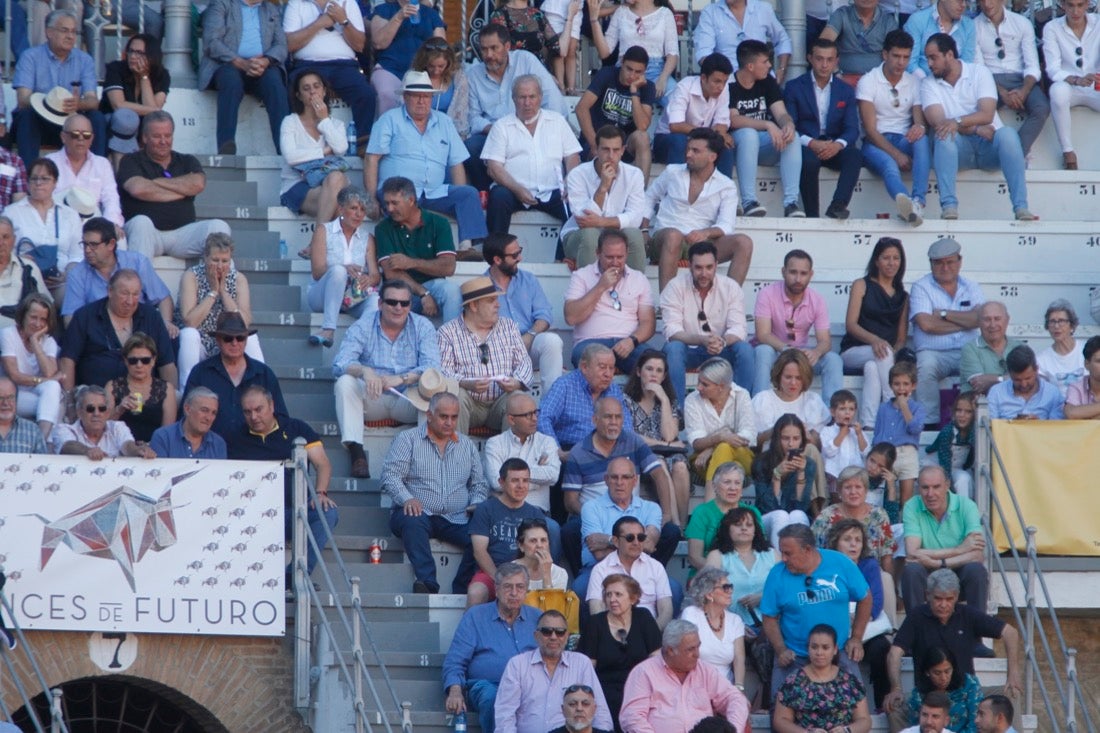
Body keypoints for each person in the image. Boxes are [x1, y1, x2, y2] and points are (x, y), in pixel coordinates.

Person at [365, 70, 488, 255]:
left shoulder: (445, 122)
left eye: (426, 96)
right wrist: (371, 198)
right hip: (398, 192)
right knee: (401, 199)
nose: (422, 101)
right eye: (416, 96)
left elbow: (456, 164)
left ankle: (467, 248)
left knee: (468, 194)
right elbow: (371, 159)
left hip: (433, 192)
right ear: (405, 97)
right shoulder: (390, 120)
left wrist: (457, 197)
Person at [225, 385, 339, 582]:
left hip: (293, 511)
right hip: (251, 516)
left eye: (258, 409)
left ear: (272, 405)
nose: (253, 416)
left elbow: (323, 464)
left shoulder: (297, 429)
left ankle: (294, 575)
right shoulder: (234, 438)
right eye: (247, 411)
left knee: (327, 512)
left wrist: (320, 493)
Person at [381, 392, 490, 594]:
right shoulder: (408, 439)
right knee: (413, 520)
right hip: (418, 514)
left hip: (457, 517)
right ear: (429, 415)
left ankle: (462, 587)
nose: (449, 422)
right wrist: (407, 498)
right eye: (443, 416)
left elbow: (478, 484)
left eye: (454, 417)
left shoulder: (466, 445)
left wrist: (476, 503)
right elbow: (390, 476)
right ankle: (427, 581)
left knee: (482, 536)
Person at [921, 33, 1033, 221]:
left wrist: (956, 123)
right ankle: (949, 206)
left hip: (990, 146)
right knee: (943, 136)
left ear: (949, 55)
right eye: (927, 59)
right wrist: (975, 128)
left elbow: (987, 114)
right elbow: (939, 123)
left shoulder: (979, 72)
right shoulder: (927, 83)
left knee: (1008, 134)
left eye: (933, 58)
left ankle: (1021, 207)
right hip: (960, 149)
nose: (929, 64)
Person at [333, 279, 439, 477]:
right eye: (392, 302)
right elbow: (340, 364)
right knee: (345, 382)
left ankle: (426, 461)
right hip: (373, 397)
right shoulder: (364, 324)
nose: (398, 307)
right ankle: (357, 453)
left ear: (410, 305)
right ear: (380, 303)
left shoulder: (423, 326)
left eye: (404, 303)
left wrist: (402, 378)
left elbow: (433, 368)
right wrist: (365, 370)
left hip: (408, 398)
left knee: (434, 393)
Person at [884, 569, 1022, 716]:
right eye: (938, 598)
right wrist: (896, 688)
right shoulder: (916, 617)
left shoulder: (967, 614)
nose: (943, 604)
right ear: (928, 595)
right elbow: (894, 653)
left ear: (956, 597)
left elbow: (1010, 633)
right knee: (894, 707)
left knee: (1011, 694)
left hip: (968, 693)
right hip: (928, 696)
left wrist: (1013, 673)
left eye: (949, 599)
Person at [761, 524, 871, 696]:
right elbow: (769, 616)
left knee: (856, 701)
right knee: (780, 706)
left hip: (837, 651)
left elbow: (865, 597)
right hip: (794, 655)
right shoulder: (777, 574)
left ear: (807, 549)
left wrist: (856, 638)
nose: (783, 558)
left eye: (788, 553)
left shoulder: (840, 563)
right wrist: (780, 649)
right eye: (782, 552)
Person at [645, 128, 754, 291]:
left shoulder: (726, 185)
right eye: (688, 149)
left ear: (712, 157)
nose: (688, 154)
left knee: (744, 242)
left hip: (700, 243)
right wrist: (644, 230)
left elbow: (726, 225)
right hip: (666, 238)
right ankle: (667, 304)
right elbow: (649, 197)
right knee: (674, 236)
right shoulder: (672, 172)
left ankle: (729, 302)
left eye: (695, 151)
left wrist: (705, 233)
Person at [465, 25, 567, 191]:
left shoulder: (525, 60)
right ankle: (485, 194)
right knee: (472, 146)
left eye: (494, 48)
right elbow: (473, 117)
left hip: (531, 128)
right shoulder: (473, 75)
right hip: (494, 134)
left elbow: (552, 99)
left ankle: (550, 191)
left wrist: (541, 129)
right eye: (484, 49)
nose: (489, 55)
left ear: (507, 47)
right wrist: (495, 129)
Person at [118, 111, 232, 259]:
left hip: (183, 234)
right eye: (157, 136)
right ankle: (137, 281)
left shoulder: (186, 160)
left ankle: (220, 282)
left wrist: (157, 182)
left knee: (219, 227)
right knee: (141, 222)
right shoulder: (130, 160)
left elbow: (198, 184)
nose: (163, 141)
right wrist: (184, 189)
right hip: (148, 234)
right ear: (145, 137)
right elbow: (138, 189)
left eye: (168, 135)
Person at [441, 562, 540, 733]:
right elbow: (455, 660)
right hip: (488, 686)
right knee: (493, 699)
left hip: (530, 686)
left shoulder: (537, 618)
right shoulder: (476, 616)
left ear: (527, 590)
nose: (514, 593)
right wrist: (455, 690)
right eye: (508, 587)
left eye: (520, 587)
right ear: (497, 588)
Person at [482, 75, 580, 238]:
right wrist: (518, 189)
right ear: (513, 99)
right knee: (499, 196)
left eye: (532, 97)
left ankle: (564, 258)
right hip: (514, 191)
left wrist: (571, 182)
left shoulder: (557, 121)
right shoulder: (501, 126)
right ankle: (496, 253)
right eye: (522, 97)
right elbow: (494, 167)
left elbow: (572, 156)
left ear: (540, 97)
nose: (527, 103)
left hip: (553, 190)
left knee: (576, 201)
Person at [562, 399, 674, 533]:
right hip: (595, 517)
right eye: (608, 417)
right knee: (571, 530)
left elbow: (659, 474)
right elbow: (570, 502)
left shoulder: (634, 442)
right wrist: (593, 516)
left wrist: (666, 513)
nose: (614, 422)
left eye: (618, 417)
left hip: (631, 514)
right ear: (595, 420)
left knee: (670, 532)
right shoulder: (579, 452)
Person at [438, 275, 532, 434]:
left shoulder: (508, 326)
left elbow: (524, 362)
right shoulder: (447, 332)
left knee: (517, 398)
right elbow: (443, 372)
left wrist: (516, 382)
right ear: (473, 305)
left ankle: (512, 458)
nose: (498, 305)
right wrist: (466, 383)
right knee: (455, 396)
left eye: (497, 300)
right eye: (491, 301)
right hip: (469, 403)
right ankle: (456, 456)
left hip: (500, 403)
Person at [619, 619, 750, 733]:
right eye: (690, 649)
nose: (697, 654)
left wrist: (733, 730)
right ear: (670, 650)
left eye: (698, 647)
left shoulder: (705, 670)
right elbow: (632, 717)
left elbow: (735, 699)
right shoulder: (644, 672)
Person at [661, 241, 754, 403]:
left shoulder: (730, 287)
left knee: (745, 350)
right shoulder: (675, 286)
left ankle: (740, 408)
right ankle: (677, 413)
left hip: (721, 349)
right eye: (698, 268)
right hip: (689, 349)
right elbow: (672, 330)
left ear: (716, 265)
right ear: (690, 266)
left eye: (709, 267)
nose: (704, 273)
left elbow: (738, 327)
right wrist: (701, 340)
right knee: (673, 348)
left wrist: (723, 341)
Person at [12, 10, 107, 166]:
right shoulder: (30, 56)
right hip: (40, 123)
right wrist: (50, 103)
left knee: (96, 117)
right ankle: (29, 177)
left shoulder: (84, 59)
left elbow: (92, 100)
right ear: (49, 32)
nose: (70, 36)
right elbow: (23, 99)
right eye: (64, 30)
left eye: (73, 32)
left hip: (71, 124)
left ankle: (97, 171)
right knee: (26, 116)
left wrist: (79, 104)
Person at [856, 31, 931, 226]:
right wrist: (897, 155)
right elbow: (870, 131)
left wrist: (919, 127)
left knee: (922, 138)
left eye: (906, 57)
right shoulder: (868, 81)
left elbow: (918, 120)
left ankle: (918, 202)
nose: (901, 62)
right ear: (885, 54)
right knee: (890, 166)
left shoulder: (914, 81)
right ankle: (908, 206)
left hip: (903, 138)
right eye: (896, 56)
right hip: (876, 142)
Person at [575, 455, 680, 593]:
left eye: (625, 477)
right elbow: (598, 553)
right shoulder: (590, 507)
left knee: (675, 589)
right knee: (580, 587)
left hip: (641, 568)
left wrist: (608, 540)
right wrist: (634, 544)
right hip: (600, 568)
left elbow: (648, 544)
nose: (620, 482)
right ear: (606, 480)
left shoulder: (651, 508)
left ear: (635, 480)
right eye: (614, 477)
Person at [496, 610, 613, 733]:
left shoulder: (581, 663)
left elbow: (599, 711)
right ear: (536, 636)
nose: (553, 637)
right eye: (547, 631)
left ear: (567, 636)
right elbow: (505, 714)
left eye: (560, 632)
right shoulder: (517, 665)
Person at [784, 38, 862, 220]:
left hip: (832, 146)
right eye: (819, 59)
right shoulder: (794, 87)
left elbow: (852, 129)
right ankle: (812, 215)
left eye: (829, 59)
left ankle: (838, 205)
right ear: (810, 58)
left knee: (854, 156)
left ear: (837, 61)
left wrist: (837, 145)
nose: (824, 65)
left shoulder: (846, 90)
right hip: (805, 146)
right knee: (809, 161)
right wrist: (811, 143)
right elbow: (789, 125)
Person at [59, 269, 177, 390]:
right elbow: (67, 360)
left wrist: (171, 397)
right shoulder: (85, 316)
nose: (130, 301)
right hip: (96, 400)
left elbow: (166, 364)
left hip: (143, 396)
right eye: (125, 293)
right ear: (110, 291)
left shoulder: (152, 317)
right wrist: (69, 400)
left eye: (136, 294)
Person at [909, 237, 985, 425]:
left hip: (967, 350)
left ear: (960, 262)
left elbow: (980, 319)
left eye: (950, 262)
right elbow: (927, 325)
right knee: (925, 367)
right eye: (939, 263)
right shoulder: (921, 286)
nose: (945, 267)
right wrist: (965, 320)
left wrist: (943, 314)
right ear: (931, 264)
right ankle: (930, 422)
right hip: (933, 352)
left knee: (981, 367)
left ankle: (975, 419)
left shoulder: (971, 286)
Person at [283, 0, 374, 152]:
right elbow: (289, 44)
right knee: (293, 89)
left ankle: (362, 143)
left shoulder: (347, 2)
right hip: (307, 64)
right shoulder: (296, 3)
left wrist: (344, 21)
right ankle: (297, 143)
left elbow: (359, 45)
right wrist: (319, 24)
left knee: (366, 94)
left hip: (344, 65)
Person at [753, 249, 843, 402]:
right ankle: (758, 408)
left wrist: (816, 352)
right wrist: (786, 349)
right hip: (777, 351)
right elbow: (763, 335)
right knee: (763, 351)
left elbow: (825, 341)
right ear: (783, 272)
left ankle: (832, 417)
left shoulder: (817, 300)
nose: (798, 279)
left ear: (811, 274)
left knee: (833, 359)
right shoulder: (767, 294)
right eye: (793, 272)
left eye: (803, 273)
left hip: (802, 355)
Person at [200, 0, 289, 155]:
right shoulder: (222, 4)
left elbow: (281, 45)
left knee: (275, 84)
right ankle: (226, 146)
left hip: (261, 66)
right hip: (227, 63)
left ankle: (286, 148)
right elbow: (211, 41)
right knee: (231, 82)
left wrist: (266, 60)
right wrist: (240, 62)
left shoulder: (270, 9)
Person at [705, 507, 778, 695]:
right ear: (727, 529)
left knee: (768, 641)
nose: (744, 528)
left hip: (769, 622)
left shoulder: (772, 555)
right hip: (727, 622)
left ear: (756, 529)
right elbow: (707, 595)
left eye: (749, 525)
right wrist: (733, 623)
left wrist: (763, 597)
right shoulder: (717, 556)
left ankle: (768, 698)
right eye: (737, 525)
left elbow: (786, 591)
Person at [175, 233, 263, 389]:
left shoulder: (238, 279)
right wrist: (213, 292)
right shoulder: (192, 276)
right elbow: (190, 321)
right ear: (205, 258)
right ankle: (186, 390)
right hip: (200, 341)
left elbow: (244, 322)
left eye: (225, 261)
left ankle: (259, 389)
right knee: (189, 334)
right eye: (215, 260)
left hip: (227, 339)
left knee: (252, 338)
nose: (220, 266)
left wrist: (223, 292)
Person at [727, 39, 803, 219]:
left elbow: (781, 113)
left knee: (793, 137)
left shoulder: (767, 82)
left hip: (762, 145)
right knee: (748, 134)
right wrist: (767, 125)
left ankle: (791, 203)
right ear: (750, 66)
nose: (770, 65)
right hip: (737, 145)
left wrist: (787, 124)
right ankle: (748, 202)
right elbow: (734, 120)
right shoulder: (730, 83)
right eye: (765, 62)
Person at [824, 519, 895, 711]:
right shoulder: (826, 565)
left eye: (858, 540)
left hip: (865, 626)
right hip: (835, 625)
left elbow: (876, 600)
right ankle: (835, 706)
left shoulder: (869, 565)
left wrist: (862, 619)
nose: (853, 544)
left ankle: (882, 705)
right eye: (847, 539)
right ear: (835, 542)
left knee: (881, 648)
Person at [579, 574, 663, 733]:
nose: (612, 599)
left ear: (633, 598)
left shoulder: (643, 617)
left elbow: (656, 662)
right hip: (605, 694)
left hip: (641, 691)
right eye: (608, 594)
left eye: (618, 594)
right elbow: (588, 670)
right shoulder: (595, 623)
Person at [900, 466, 989, 615]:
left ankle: (977, 632)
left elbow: (977, 555)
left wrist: (938, 563)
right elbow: (913, 554)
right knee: (911, 571)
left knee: (976, 571)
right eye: (925, 488)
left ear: (947, 486)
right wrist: (959, 549)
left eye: (936, 487)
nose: (930, 494)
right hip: (928, 573)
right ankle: (915, 631)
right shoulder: (912, 506)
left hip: (957, 570)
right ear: (918, 488)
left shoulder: (967, 506)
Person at [564, 229, 655, 372]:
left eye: (620, 257)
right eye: (609, 257)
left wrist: (632, 340)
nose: (615, 262)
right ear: (598, 253)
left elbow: (648, 323)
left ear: (627, 253)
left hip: (628, 343)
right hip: (590, 342)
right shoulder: (581, 276)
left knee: (654, 364)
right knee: (592, 363)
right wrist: (600, 286)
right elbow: (571, 317)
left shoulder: (639, 279)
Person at [183, 311, 287, 437]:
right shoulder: (200, 372)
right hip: (210, 450)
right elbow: (186, 415)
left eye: (240, 338)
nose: (234, 343)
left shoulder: (264, 373)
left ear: (246, 339)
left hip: (254, 448)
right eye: (228, 338)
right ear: (218, 340)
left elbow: (280, 416)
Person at [841, 237, 909, 426]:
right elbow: (851, 324)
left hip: (882, 356)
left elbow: (902, 338)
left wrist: (892, 353)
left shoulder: (903, 296)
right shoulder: (861, 285)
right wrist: (875, 341)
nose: (891, 263)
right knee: (882, 353)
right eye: (886, 257)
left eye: (896, 258)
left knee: (872, 368)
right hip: (853, 350)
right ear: (877, 261)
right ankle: (893, 404)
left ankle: (868, 423)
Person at [468, 458, 555, 606]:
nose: (521, 486)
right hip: (492, 572)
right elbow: (479, 551)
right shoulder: (486, 509)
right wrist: (500, 579)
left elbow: (541, 550)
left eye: (525, 481)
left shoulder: (536, 513)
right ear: (501, 482)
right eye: (515, 480)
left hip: (527, 575)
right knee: (476, 592)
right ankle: (468, 630)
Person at [60, 217, 175, 329]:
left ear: (111, 244)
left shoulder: (137, 262)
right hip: (99, 335)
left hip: (139, 330)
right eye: (85, 244)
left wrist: (166, 324)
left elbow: (163, 298)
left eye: (93, 245)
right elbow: (70, 318)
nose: (87, 250)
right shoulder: (77, 274)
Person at [375, 176, 462, 322]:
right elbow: (391, 274)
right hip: (398, 292)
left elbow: (448, 267)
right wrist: (424, 293)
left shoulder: (438, 223)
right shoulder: (383, 228)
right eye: (387, 203)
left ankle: (452, 342)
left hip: (434, 288)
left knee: (451, 291)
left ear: (411, 200)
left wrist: (412, 262)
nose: (389, 209)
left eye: (394, 203)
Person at [483, 233, 563, 392]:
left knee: (551, 341)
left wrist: (529, 335)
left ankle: (551, 407)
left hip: (529, 342)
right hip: (499, 351)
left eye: (519, 251)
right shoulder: (480, 287)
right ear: (497, 260)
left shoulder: (529, 279)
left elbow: (545, 315)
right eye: (514, 255)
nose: (520, 258)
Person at [561, 125, 648, 272]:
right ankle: (589, 292)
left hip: (617, 234)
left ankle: (635, 291)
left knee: (634, 234)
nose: (611, 156)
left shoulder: (634, 174)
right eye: (606, 149)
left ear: (623, 150)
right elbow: (583, 219)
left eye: (615, 150)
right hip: (578, 235)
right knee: (590, 235)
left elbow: (635, 218)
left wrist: (601, 222)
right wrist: (603, 187)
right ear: (596, 149)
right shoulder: (577, 174)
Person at [306, 185, 379, 347]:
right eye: (353, 208)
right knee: (338, 271)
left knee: (375, 300)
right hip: (321, 295)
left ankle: (360, 341)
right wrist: (344, 268)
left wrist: (369, 279)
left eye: (362, 209)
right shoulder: (324, 230)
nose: (359, 214)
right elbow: (317, 273)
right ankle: (329, 330)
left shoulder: (367, 238)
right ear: (340, 209)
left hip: (352, 296)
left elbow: (375, 275)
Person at [622, 351, 691, 521]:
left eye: (659, 371)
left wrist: (664, 400)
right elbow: (632, 436)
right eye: (649, 369)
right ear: (639, 372)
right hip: (639, 456)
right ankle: (674, 526)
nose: (654, 374)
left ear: (664, 375)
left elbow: (669, 435)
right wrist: (669, 445)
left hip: (669, 455)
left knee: (680, 466)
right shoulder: (626, 400)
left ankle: (682, 527)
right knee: (658, 461)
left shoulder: (670, 401)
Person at [975, 0, 1048, 156]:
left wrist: (1023, 91)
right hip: (990, 80)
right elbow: (979, 70)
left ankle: (1016, 153)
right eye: (982, 0)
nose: (987, 4)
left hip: (1020, 78)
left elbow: (1032, 66)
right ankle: (1008, 153)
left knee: (1042, 107)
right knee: (981, 106)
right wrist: (1001, 92)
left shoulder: (1022, 23)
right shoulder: (973, 27)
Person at [771, 623, 873, 733]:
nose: (819, 653)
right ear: (808, 649)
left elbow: (864, 720)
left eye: (825, 647)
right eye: (814, 647)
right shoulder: (793, 681)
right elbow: (780, 720)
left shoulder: (849, 681)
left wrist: (847, 730)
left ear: (834, 650)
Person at [279, 72, 350, 229]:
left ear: (324, 91)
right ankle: (322, 242)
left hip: (329, 185)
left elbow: (341, 148)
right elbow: (291, 157)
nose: (312, 92)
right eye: (306, 88)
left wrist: (324, 119)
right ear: (299, 95)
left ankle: (318, 238)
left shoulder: (335, 124)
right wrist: (323, 152)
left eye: (316, 86)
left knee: (337, 178)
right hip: (298, 185)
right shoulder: (290, 121)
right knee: (339, 207)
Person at [5, 157, 81, 300]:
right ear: (27, 183)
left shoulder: (70, 215)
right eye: (34, 179)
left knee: (75, 297)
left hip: (61, 282)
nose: (39, 183)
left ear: (55, 183)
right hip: (23, 280)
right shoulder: (11, 213)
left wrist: (66, 276)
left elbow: (77, 255)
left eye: (45, 179)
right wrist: (19, 260)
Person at [574, 48, 655, 180]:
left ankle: (641, 195)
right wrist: (595, 144)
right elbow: (581, 108)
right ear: (622, 62)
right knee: (600, 152)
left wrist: (634, 92)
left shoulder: (647, 87)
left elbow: (642, 126)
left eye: (638, 72)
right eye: (629, 69)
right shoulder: (607, 74)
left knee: (643, 137)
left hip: (624, 145)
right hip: (598, 140)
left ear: (644, 71)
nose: (632, 76)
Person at [538, 342, 630, 454]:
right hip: (572, 451)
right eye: (602, 367)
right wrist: (556, 451)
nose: (608, 374)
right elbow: (543, 418)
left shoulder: (613, 389)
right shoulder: (565, 385)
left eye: (611, 368)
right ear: (584, 367)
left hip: (608, 451)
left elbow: (626, 426)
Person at [484, 392, 562, 523]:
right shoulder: (495, 443)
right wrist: (537, 477)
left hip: (538, 512)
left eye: (535, 412)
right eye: (527, 415)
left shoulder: (547, 442)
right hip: (504, 511)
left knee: (553, 529)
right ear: (511, 420)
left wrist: (512, 478)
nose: (535, 418)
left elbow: (553, 476)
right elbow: (496, 482)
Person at [652, 53, 733, 178]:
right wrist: (709, 134)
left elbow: (721, 124)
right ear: (703, 78)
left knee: (724, 146)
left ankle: (724, 195)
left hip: (701, 141)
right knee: (680, 140)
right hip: (667, 140)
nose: (721, 87)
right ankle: (677, 191)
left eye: (724, 81)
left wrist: (719, 134)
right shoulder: (684, 86)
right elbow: (675, 126)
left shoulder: (724, 88)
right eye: (717, 81)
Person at [1041, 0, 1100, 170]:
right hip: (1070, 86)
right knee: (1057, 91)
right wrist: (1076, 79)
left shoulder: (1098, 23)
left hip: (1095, 88)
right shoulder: (1052, 28)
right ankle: (1068, 153)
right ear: (1062, 5)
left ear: (1087, 4)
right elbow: (1052, 69)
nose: (1075, 11)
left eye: (1080, 5)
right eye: (1070, 5)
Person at [586, 516, 675, 628]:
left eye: (641, 537)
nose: (636, 542)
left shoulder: (656, 567)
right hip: (614, 633)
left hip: (649, 633)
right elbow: (596, 610)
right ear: (616, 541)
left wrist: (652, 634)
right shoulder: (600, 570)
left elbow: (666, 610)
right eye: (630, 538)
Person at [585, 0, 679, 105]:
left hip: (656, 72)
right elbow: (604, 52)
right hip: (625, 72)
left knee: (677, 99)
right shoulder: (621, 12)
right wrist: (594, 20)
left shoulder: (665, 14)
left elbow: (672, 54)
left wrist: (663, 79)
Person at [685, 356, 756, 485]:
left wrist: (713, 446)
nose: (698, 387)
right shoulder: (692, 399)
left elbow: (749, 435)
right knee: (726, 453)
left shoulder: (742, 395)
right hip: (703, 461)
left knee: (724, 447)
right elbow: (696, 443)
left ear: (721, 387)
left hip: (740, 455)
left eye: (705, 384)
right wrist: (721, 438)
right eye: (698, 382)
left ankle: (710, 501)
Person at [46, 113, 123, 233]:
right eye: (75, 134)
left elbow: (111, 197)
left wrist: (111, 224)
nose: (81, 139)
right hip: (57, 225)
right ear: (63, 137)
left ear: (91, 139)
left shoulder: (102, 164)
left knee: (118, 239)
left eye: (86, 135)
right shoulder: (49, 162)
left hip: (93, 227)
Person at [0, 294, 62, 439]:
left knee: (53, 388)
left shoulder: (48, 341)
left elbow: (50, 372)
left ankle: (41, 439)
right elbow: (14, 376)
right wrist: (44, 380)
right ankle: (46, 444)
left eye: (43, 319)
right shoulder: (8, 334)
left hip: (36, 395)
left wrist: (34, 341)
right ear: (23, 316)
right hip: (10, 396)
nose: (37, 324)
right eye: (33, 317)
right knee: (57, 405)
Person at [370, 0, 447, 116]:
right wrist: (398, 18)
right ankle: (387, 131)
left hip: (423, 73)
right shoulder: (384, 10)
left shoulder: (431, 14)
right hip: (390, 69)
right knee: (387, 93)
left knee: (425, 98)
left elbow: (441, 48)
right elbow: (379, 43)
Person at [753, 415, 819, 547]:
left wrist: (801, 473)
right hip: (768, 519)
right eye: (785, 438)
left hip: (794, 517)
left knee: (798, 514)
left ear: (802, 440)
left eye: (796, 438)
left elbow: (802, 507)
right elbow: (768, 507)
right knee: (780, 515)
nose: (791, 444)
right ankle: (779, 563)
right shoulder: (761, 462)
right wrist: (777, 476)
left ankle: (799, 562)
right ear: (777, 438)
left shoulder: (809, 464)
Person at [812, 466, 897, 569]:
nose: (853, 492)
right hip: (835, 573)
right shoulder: (826, 516)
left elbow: (887, 556)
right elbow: (814, 553)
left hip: (870, 574)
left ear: (866, 490)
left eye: (858, 487)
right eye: (848, 487)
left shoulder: (879, 515)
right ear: (839, 491)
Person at [751, 348, 830, 454]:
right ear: (779, 376)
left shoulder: (813, 401)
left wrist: (806, 434)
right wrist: (775, 430)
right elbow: (753, 445)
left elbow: (819, 447)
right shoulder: (763, 399)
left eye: (798, 378)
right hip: (771, 459)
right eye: (788, 377)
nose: (793, 383)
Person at [693, 0, 792, 82]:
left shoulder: (763, 9)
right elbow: (703, 52)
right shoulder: (710, 12)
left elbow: (782, 40)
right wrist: (719, 77)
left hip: (761, 79)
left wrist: (782, 70)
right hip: (727, 82)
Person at [104, 332, 178, 443]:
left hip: (154, 452)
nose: (139, 365)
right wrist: (119, 410)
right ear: (125, 361)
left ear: (153, 360)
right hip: (118, 450)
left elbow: (167, 433)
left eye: (145, 360)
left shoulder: (166, 389)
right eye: (133, 361)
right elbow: (101, 428)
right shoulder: (112, 386)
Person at [690, 464, 763, 575]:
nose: (732, 488)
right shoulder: (702, 512)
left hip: (749, 573)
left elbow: (761, 549)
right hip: (709, 575)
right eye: (727, 482)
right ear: (714, 486)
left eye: (737, 483)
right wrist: (725, 575)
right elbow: (694, 557)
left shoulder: (752, 512)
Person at [679, 566, 746, 685]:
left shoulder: (735, 620)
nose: (730, 591)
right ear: (709, 594)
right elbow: (686, 654)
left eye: (730, 587)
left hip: (725, 688)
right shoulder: (691, 614)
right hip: (695, 684)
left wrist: (739, 687)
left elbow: (739, 659)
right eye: (725, 587)